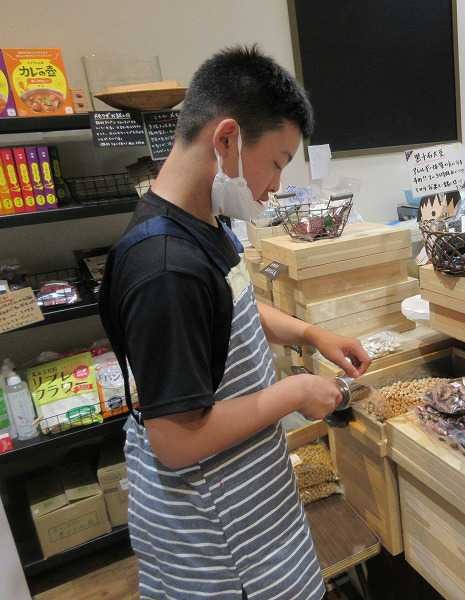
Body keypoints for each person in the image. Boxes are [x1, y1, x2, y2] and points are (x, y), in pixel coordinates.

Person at [99, 46, 371, 600]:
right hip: (217, 538)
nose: (276, 184)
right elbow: (175, 440)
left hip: (247, 496)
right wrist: (294, 391)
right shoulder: (165, 269)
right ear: (227, 140)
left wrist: (309, 333)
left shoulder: (202, 220)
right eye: (277, 162)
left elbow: (230, 306)